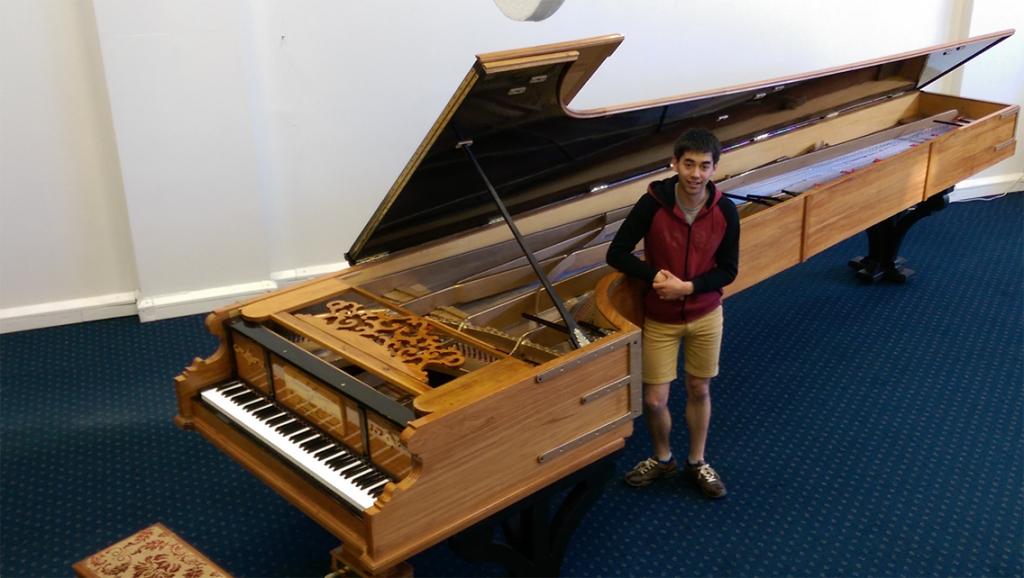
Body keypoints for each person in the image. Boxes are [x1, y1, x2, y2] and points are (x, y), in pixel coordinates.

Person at [606, 128, 739, 498]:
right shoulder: (652, 203)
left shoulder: (725, 209)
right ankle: (663, 459)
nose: (696, 173)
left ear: (715, 169)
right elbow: (615, 253)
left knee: (699, 387)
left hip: (706, 313)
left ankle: (697, 461)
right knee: (654, 399)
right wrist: (654, 277)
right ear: (674, 163)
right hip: (661, 318)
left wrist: (689, 287)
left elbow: (729, 269)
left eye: (704, 166)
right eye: (689, 164)